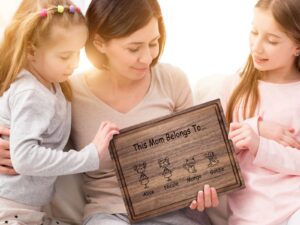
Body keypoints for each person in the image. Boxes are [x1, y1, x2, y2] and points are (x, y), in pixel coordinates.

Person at [0, 0, 217, 224]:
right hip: (108, 213)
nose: (147, 57)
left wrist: (206, 185)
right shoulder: (67, 90)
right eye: (133, 48)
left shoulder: (172, 80)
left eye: (154, 42)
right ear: (99, 43)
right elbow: (21, 112)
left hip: (171, 209)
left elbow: (198, 154)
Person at [0, 0, 119, 224]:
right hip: (10, 211)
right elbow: (24, 158)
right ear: (31, 51)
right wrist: (89, 156)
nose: (74, 63)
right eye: (65, 56)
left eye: (78, 53)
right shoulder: (32, 93)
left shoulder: (52, 85)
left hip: (28, 210)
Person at [219, 0, 300, 224]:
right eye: (254, 32)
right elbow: (215, 152)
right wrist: (255, 128)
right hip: (251, 214)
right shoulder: (236, 86)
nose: (257, 46)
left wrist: (259, 145)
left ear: (298, 46)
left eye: (272, 40)